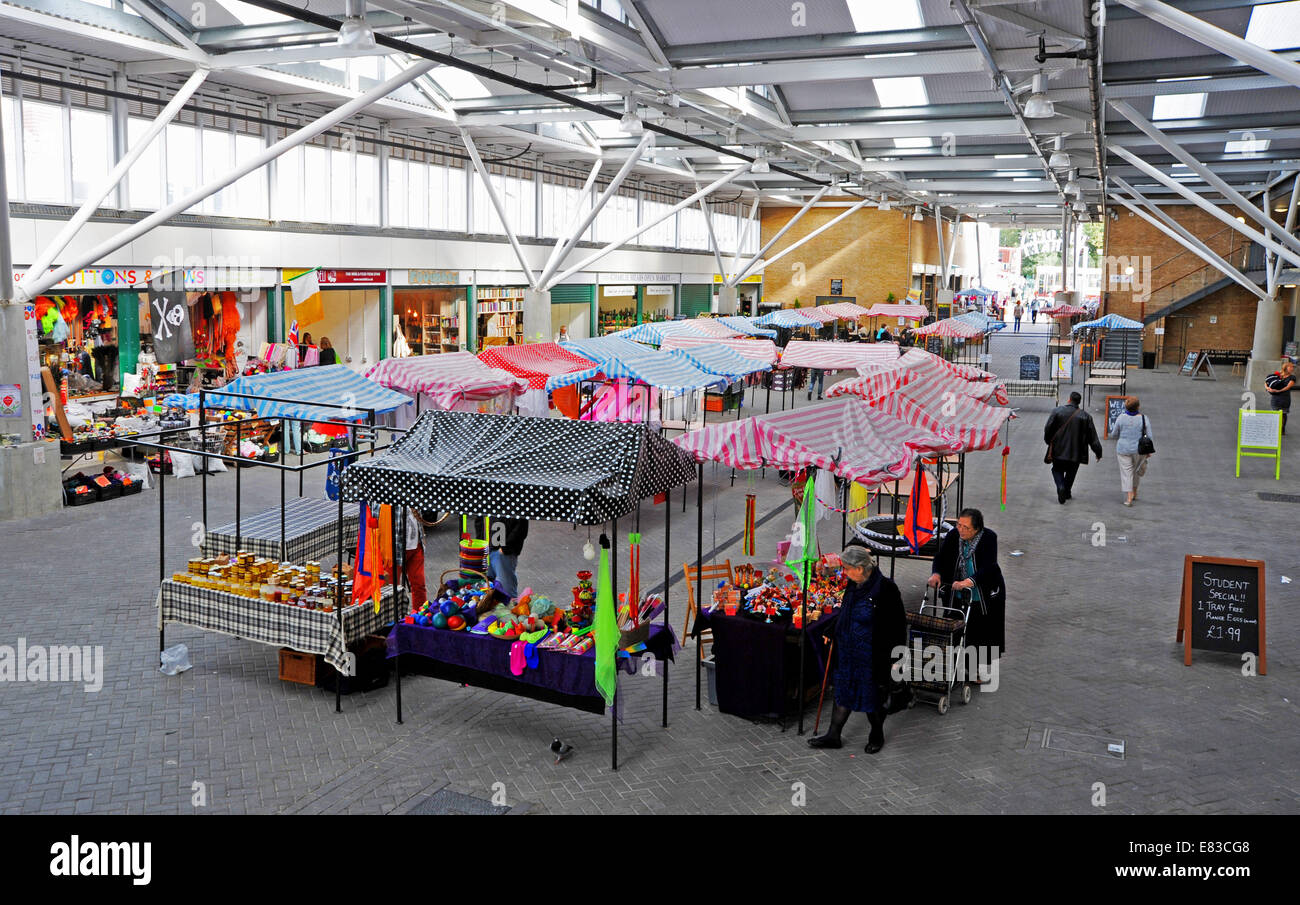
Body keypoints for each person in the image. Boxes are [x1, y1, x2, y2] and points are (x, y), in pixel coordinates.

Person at [808, 546, 907, 754]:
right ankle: (834, 735)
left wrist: (896, 656)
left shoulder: (886, 589)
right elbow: (846, 613)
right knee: (843, 693)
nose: (844, 572)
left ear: (861, 568)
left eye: (847, 568)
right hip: (847, 653)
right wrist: (831, 630)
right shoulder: (854, 585)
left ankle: (876, 735)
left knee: (873, 698)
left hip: (871, 656)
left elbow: (897, 625)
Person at [928, 508, 1006, 668]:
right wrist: (936, 573)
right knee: (956, 625)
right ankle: (956, 664)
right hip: (956, 590)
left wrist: (968, 581)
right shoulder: (953, 535)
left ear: (976, 529)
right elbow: (940, 557)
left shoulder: (989, 538)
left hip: (982, 592)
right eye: (959, 525)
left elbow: (989, 567)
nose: (961, 530)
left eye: (966, 527)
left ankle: (977, 669)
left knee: (980, 630)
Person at [1043, 391, 1103, 504]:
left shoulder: (1057, 411)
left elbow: (1048, 428)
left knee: (1056, 469)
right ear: (1079, 402)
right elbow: (1092, 437)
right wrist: (1098, 452)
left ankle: (1060, 486)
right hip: (1076, 451)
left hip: (1058, 449)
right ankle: (1066, 491)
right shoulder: (1086, 416)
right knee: (1072, 472)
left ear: (1069, 400)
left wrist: (1048, 441)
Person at [1112, 396, 1153, 506]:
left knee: (1127, 472)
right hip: (1139, 449)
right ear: (1138, 407)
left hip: (1123, 448)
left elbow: (1114, 433)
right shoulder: (1144, 418)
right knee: (1135, 471)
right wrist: (1149, 451)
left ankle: (1129, 497)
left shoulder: (1121, 418)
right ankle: (1134, 492)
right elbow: (1149, 436)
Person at [486, 517, 529, 600]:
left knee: (507, 587)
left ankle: (509, 606)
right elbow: (480, 521)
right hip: (487, 547)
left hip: (504, 551)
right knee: (486, 585)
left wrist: (506, 548)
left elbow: (521, 527)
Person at [1265, 358, 1295, 435]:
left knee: (1283, 413)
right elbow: (1267, 381)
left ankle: (1282, 429)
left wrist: (1278, 391)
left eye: (1292, 367)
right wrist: (1267, 388)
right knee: (1275, 412)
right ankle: (1274, 428)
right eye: (1290, 367)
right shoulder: (1278, 375)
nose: (1292, 368)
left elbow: (1288, 387)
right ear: (1285, 367)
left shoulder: (1292, 377)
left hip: (1285, 398)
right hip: (1275, 397)